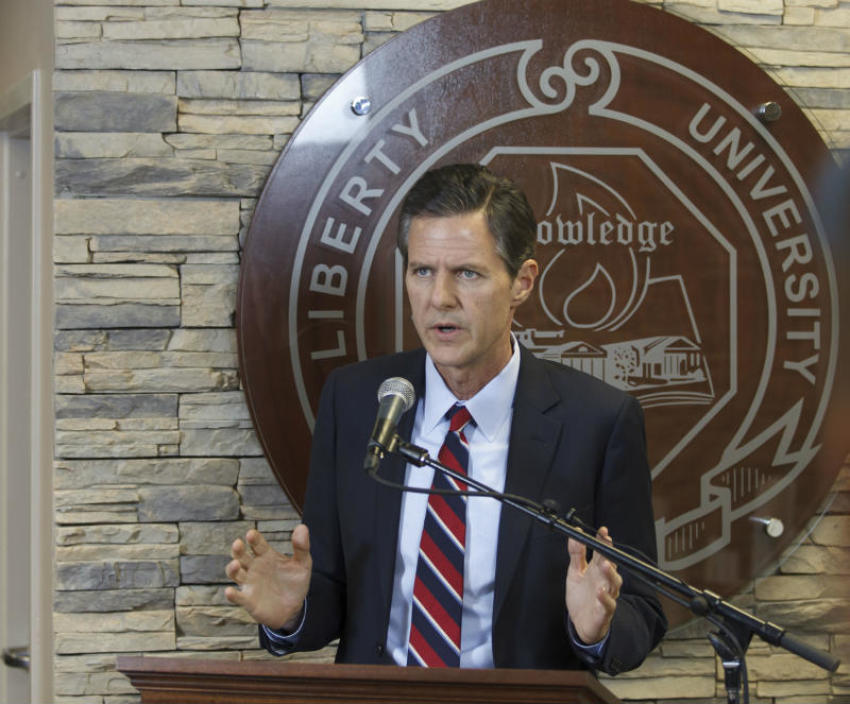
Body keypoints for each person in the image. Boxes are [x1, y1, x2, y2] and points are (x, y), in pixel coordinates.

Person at [225, 163, 666, 674]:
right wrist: (294, 613)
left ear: (522, 282)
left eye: (468, 273)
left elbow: (643, 608)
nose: (440, 299)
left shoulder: (598, 422)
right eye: (422, 271)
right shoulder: (356, 401)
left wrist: (598, 631)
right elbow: (335, 593)